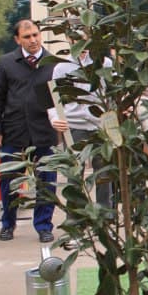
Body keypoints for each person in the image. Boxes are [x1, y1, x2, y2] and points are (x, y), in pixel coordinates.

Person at [0, 20, 57, 242]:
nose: (33, 40)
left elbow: (59, 99)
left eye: (36, 35)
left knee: (46, 180)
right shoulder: (7, 63)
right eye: (27, 37)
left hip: (44, 132)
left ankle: (44, 225)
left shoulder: (52, 63)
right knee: (9, 179)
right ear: (17, 39)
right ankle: (8, 224)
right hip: (14, 130)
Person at [46, 45, 113, 209]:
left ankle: (106, 218)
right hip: (73, 125)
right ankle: (75, 220)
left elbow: (113, 95)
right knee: (75, 174)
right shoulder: (61, 67)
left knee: (104, 173)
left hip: (100, 126)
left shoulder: (104, 64)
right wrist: (54, 118)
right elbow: (53, 99)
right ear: (69, 40)